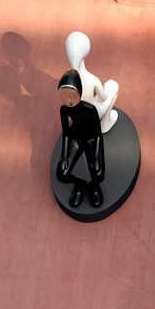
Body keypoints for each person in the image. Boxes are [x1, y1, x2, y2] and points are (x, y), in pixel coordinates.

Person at [56, 69, 106, 208]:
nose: (69, 99)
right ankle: (80, 185)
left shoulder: (90, 109)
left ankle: (94, 186)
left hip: (91, 139)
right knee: (62, 174)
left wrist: (96, 156)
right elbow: (66, 133)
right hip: (76, 140)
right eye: (64, 95)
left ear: (79, 92)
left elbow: (97, 134)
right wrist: (65, 155)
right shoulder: (64, 110)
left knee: (98, 173)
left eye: (72, 94)